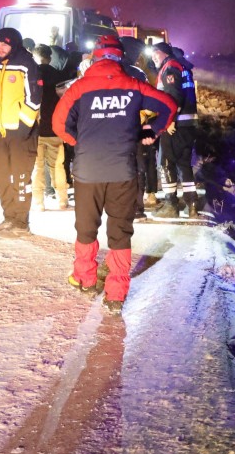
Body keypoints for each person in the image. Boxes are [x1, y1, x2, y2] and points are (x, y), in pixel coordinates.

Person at [53, 40, 175, 311]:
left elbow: (58, 124)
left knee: (86, 227)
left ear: (95, 59)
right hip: (123, 171)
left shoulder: (80, 88)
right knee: (120, 232)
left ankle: (85, 279)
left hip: (88, 172)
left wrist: (79, 142)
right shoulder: (133, 85)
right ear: (120, 59)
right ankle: (116, 295)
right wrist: (151, 130)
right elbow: (168, 105)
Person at [0, 27, 42, 236]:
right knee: (3, 177)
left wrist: (24, 127)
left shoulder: (26, 64)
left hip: (22, 134)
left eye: (4, 44)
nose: (0, 48)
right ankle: (9, 217)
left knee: (21, 178)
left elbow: (34, 98)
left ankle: (22, 221)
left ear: (14, 44)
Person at [150, 42, 200, 217]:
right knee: (184, 165)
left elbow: (174, 96)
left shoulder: (170, 68)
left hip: (175, 124)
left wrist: (169, 120)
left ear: (164, 53)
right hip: (187, 123)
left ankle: (171, 205)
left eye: (155, 53)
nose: (153, 57)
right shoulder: (183, 67)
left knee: (166, 163)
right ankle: (192, 203)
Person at [31, 45, 71, 211]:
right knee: (58, 166)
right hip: (55, 128)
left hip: (35, 130)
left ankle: (39, 202)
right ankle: (62, 200)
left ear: (35, 57)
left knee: (37, 167)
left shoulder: (31, 74)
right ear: (50, 57)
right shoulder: (59, 76)